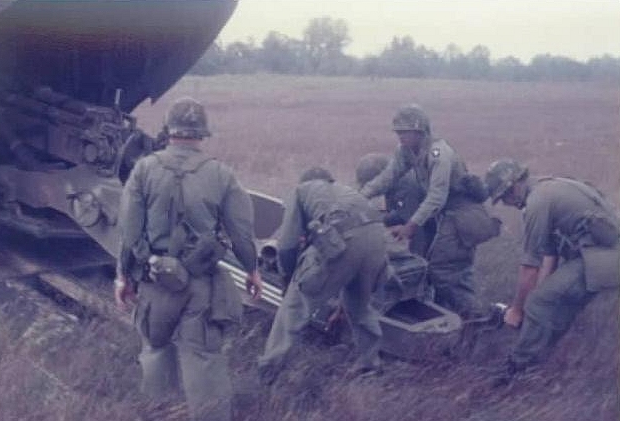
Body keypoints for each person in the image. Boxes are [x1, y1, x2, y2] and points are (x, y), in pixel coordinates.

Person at [114, 97, 262, 421]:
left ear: (169, 131)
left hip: (155, 282)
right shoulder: (222, 174)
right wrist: (253, 270)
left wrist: (125, 276)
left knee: (155, 349)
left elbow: (130, 231)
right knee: (203, 356)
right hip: (201, 284)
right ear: (202, 134)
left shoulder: (144, 169)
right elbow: (241, 232)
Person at [484, 159, 619, 386]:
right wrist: (539, 293)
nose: (507, 203)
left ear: (515, 185)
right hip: (599, 256)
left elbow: (530, 267)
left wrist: (517, 310)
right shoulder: (549, 187)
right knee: (547, 300)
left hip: (603, 259)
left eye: (505, 196)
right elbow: (550, 255)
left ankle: (517, 369)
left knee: (538, 303)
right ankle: (541, 357)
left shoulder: (537, 202)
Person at [358, 104, 499, 317]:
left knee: (446, 271)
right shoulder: (405, 151)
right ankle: (453, 318)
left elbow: (436, 197)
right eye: (398, 132)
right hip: (444, 217)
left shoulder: (439, 154)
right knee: (433, 270)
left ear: (419, 130)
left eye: (404, 131)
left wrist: (410, 227)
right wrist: (356, 199)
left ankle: (479, 319)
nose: (400, 136)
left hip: (461, 216)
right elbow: (387, 178)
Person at [258, 167, 387, 385]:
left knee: (293, 307)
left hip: (342, 243)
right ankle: (370, 365)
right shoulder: (345, 191)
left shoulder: (301, 191)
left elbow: (287, 245)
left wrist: (289, 278)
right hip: (377, 241)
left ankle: (268, 370)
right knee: (360, 305)